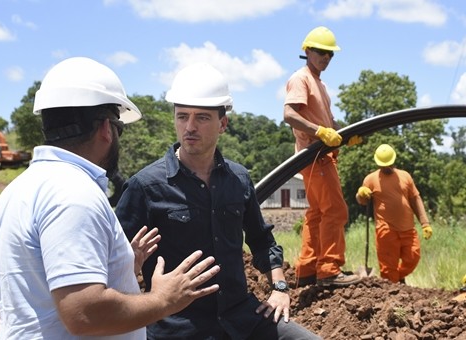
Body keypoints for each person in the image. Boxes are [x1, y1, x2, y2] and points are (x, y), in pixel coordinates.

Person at [0, 57, 220, 339]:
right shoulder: (73, 194)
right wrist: (164, 300)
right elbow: (84, 313)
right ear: (106, 129)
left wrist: (120, 264)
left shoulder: (19, 189)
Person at [115, 63, 320, 340]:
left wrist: (280, 288)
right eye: (182, 116)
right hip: (178, 326)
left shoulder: (238, 179)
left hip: (241, 317)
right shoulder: (145, 187)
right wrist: (136, 270)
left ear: (222, 123)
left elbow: (262, 241)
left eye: (201, 118)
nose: (189, 127)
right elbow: (113, 261)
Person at [283, 26, 362, 288]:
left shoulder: (321, 84)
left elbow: (328, 122)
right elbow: (290, 115)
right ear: (307, 51)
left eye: (330, 54)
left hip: (322, 156)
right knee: (335, 210)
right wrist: (320, 132)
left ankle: (307, 270)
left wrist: (344, 135)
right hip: (316, 156)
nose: (325, 58)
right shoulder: (301, 78)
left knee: (317, 213)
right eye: (320, 52)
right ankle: (328, 269)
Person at [355, 144, 433, 284]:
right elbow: (362, 201)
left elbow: (415, 198)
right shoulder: (371, 179)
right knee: (388, 268)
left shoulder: (405, 176)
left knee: (412, 258)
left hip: (407, 228)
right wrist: (361, 194)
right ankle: (392, 290)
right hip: (386, 230)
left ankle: (396, 278)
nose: (386, 168)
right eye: (383, 165)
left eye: (389, 164)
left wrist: (425, 223)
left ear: (394, 161)